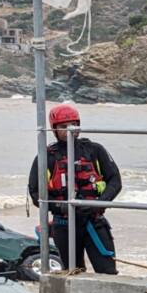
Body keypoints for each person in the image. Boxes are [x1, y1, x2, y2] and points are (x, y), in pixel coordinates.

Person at [29, 104, 122, 274]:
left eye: (73, 125)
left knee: (108, 271)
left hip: (94, 221)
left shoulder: (95, 150)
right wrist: (61, 207)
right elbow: (36, 194)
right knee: (73, 271)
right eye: (64, 126)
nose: (70, 130)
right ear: (54, 129)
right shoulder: (46, 157)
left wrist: (98, 203)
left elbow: (115, 181)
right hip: (64, 225)